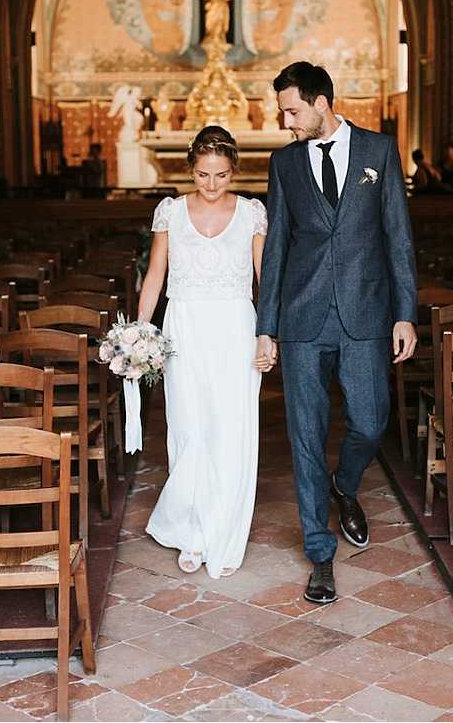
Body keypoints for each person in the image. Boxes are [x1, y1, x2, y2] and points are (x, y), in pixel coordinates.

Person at [256, 62, 417, 604]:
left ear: (322, 102)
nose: (287, 121)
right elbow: (275, 247)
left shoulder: (379, 152)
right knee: (304, 437)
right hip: (302, 320)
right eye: (284, 111)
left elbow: (398, 237)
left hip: (366, 314)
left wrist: (405, 313)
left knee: (371, 423)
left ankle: (345, 485)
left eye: (293, 110)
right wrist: (266, 327)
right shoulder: (283, 164)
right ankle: (320, 556)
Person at [137, 125, 270, 579]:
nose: (211, 185)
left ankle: (223, 531)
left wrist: (267, 334)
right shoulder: (170, 212)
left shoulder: (252, 213)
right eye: (202, 175)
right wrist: (141, 331)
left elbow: (263, 280)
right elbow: (155, 275)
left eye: (220, 175)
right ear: (190, 170)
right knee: (189, 428)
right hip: (185, 327)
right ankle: (191, 532)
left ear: (234, 170)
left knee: (231, 430)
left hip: (235, 328)